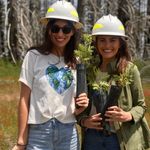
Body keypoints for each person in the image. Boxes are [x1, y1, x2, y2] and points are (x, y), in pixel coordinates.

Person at [12, 1, 89, 150]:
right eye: (55, 28)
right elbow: (24, 100)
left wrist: (82, 105)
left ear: (73, 32)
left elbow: (78, 105)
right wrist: (21, 141)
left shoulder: (78, 61)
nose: (60, 34)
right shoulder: (34, 56)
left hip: (68, 132)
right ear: (49, 30)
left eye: (66, 29)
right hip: (38, 133)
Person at [76, 14, 150, 150]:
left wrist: (128, 115)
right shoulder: (88, 71)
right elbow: (79, 107)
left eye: (113, 40)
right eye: (102, 40)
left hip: (120, 138)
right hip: (92, 139)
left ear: (120, 43)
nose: (107, 45)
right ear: (96, 42)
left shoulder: (130, 69)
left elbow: (141, 105)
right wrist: (84, 121)